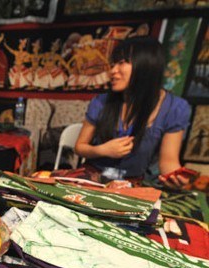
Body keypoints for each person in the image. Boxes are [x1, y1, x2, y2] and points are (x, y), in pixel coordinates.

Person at [74, 36, 192, 187]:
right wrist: (102, 150)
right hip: (92, 178)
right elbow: (80, 147)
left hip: (131, 184)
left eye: (121, 63)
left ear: (146, 65)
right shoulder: (101, 102)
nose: (113, 71)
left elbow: (168, 161)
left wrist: (175, 178)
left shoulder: (174, 108)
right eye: (113, 64)